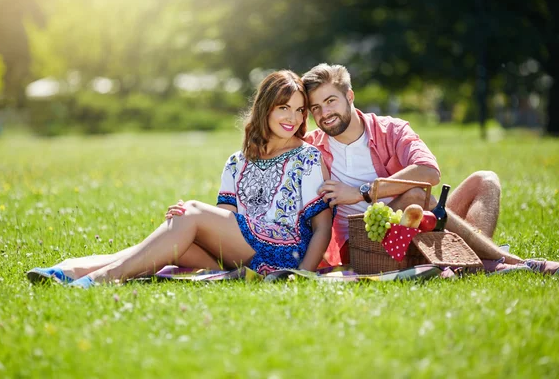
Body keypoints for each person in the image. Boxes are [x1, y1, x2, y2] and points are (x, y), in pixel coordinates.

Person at [26, 70, 333, 287]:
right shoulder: (237, 162)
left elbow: (322, 226)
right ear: (265, 109)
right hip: (239, 257)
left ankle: (97, 280)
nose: (292, 118)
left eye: (299, 110)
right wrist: (190, 224)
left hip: (284, 256)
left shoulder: (306, 158)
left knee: (190, 215)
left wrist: (302, 275)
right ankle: (67, 271)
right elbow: (227, 221)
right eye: (283, 108)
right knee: (161, 246)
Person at [301, 63, 559, 275]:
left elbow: (429, 172)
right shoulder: (311, 147)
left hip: (419, 223)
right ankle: (507, 261)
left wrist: (364, 192)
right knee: (415, 197)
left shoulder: (391, 129)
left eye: (331, 101)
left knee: (485, 180)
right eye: (316, 108)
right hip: (367, 243)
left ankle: (470, 262)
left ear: (349, 96)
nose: (325, 113)